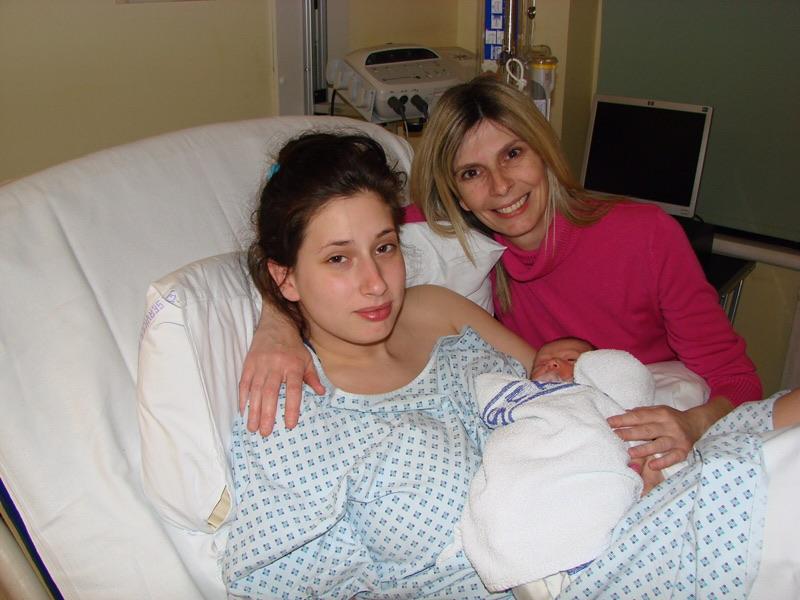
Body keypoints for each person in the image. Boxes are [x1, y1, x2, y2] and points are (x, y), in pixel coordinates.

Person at [238, 75, 762, 476]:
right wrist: (277, 325)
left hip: (650, 419)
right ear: (455, 191)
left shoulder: (645, 235)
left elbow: (738, 381)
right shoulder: (451, 240)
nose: (501, 186)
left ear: (544, 151)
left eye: (513, 153)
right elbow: (315, 249)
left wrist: (691, 425)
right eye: (472, 173)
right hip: (556, 443)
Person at [223, 131, 535, 599]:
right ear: (285, 277)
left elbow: (563, 391)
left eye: (384, 248)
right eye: (338, 258)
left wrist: (685, 420)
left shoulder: (438, 309)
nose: (375, 284)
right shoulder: (293, 411)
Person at [459, 338, 665, 595]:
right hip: (527, 468)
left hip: (589, 471)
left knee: (607, 499)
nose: (553, 363)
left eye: (571, 360)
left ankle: (571, 567)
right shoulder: (523, 396)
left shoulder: (596, 395)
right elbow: (488, 393)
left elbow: (632, 426)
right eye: (541, 362)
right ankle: (531, 566)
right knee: (504, 500)